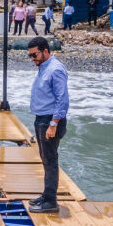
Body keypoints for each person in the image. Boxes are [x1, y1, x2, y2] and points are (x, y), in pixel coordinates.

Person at [26, 37, 69, 214]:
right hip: (42, 118)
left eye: (34, 55)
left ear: (45, 51)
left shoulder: (55, 69)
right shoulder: (43, 67)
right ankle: (47, 194)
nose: (32, 59)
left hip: (50, 120)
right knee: (45, 158)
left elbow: (62, 99)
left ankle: (51, 201)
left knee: (50, 160)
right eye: (30, 56)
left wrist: (53, 124)